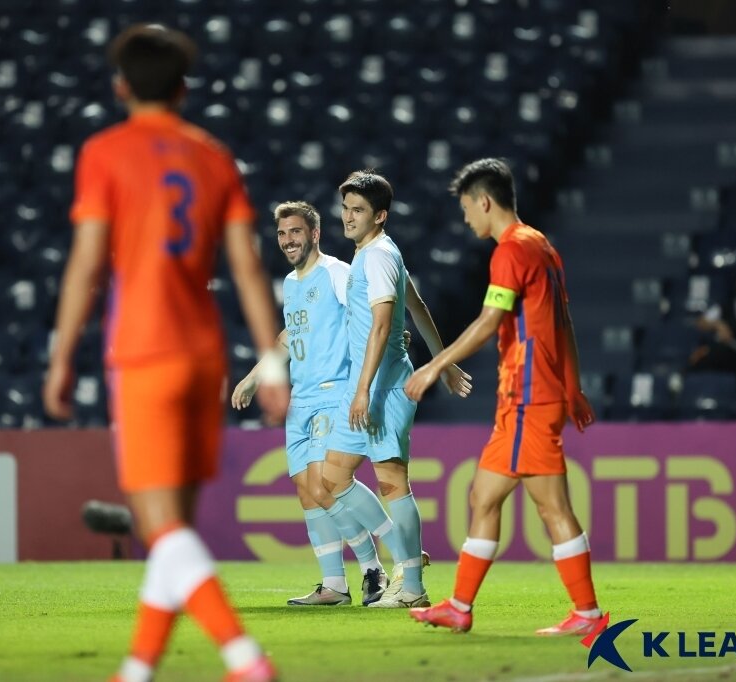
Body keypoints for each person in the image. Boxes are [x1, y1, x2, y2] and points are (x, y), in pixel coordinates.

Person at [42, 24, 289, 682]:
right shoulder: (214, 158)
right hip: (204, 353)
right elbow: (246, 268)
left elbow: (87, 262)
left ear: (121, 86)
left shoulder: (104, 152)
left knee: (164, 530)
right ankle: (138, 668)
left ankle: (245, 659)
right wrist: (270, 359)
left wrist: (62, 354)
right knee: (170, 528)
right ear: (183, 88)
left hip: (144, 350)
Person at [406, 158, 601, 636]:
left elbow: (490, 322)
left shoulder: (511, 251)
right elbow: (563, 324)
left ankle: (589, 615)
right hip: (531, 395)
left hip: (530, 396)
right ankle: (459, 605)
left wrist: (435, 364)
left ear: (485, 201)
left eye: (467, 208)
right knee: (483, 495)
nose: (466, 218)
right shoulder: (543, 247)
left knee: (551, 506)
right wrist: (573, 387)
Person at [308, 171, 471, 609]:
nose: (348, 217)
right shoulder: (377, 253)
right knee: (333, 477)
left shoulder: (378, 256)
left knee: (391, 480)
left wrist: (363, 391)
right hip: (365, 384)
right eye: (345, 208)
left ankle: (413, 587)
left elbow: (383, 324)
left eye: (358, 210)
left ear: (379, 216)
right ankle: (406, 557)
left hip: (383, 387)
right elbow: (416, 306)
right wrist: (444, 363)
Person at [231, 201, 390, 607]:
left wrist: (375, 367)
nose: (288, 241)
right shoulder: (290, 283)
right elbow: (290, 334)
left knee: (326, 485)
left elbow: (368, 315)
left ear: (314, 234)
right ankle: (334, 585)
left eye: (296, 232)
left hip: (333, 392)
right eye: (282, 234)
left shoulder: (336, 273)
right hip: (300, 399)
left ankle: (383, 558)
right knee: (308, 492)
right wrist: (254, 377)